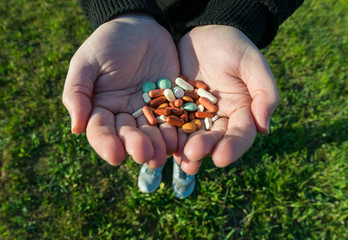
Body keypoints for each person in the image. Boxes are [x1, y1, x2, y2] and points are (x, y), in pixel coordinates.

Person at [62, 0, 304, 198]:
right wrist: (123, 12)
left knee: (184, 136)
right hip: (145, 20)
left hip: (216, 20)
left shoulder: (188, 99)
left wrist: (244, 13)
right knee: (148, 135)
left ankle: (183, 159)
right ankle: (152, 158)